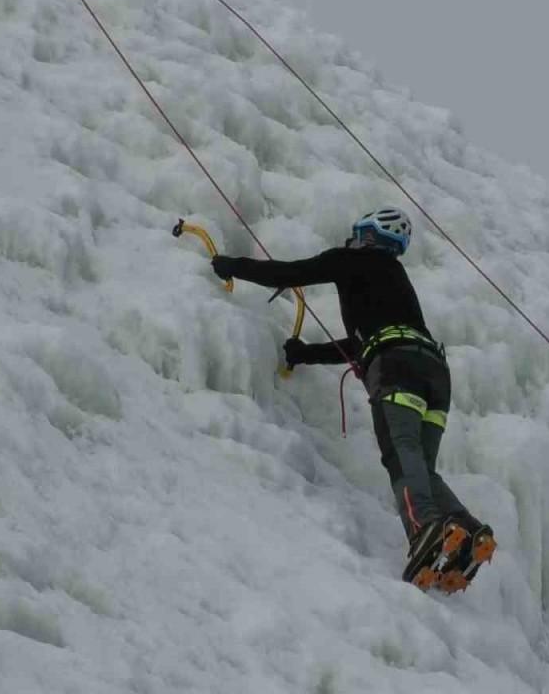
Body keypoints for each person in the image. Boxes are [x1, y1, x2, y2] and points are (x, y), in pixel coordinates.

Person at [211, 207, 496, 593]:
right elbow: (357, 346)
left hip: (396, 369)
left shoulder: (350, 260)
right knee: (422, 468)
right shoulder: (396, 279)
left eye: (357, 234)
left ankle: (425, 528)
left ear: (368, 235)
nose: (352, 240)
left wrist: (231, 265)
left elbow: (287, 274)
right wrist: (306, 353)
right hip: (435, 376)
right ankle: (466, 530)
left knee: (401, 453)